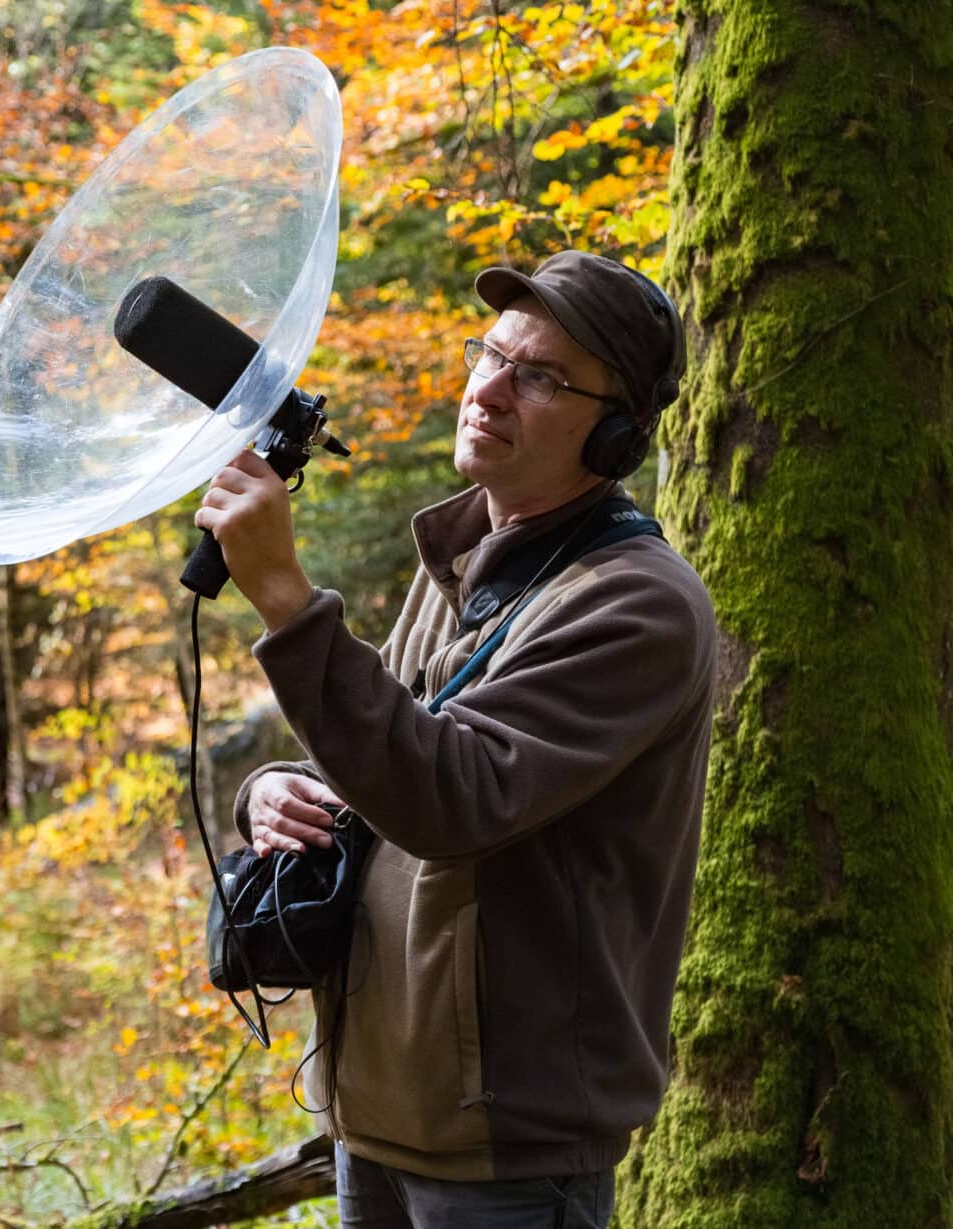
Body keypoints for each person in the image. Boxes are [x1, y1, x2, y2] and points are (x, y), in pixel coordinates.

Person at [193, 250, 717, 1228]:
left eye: (539, 375)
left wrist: (284, 599)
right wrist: (270, 791)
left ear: (610, 434)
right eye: (489, 353)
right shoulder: (470, 567)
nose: (488, 387)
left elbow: (452, 795)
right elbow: (378, 756)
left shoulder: (633, 605)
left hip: (509, 1137)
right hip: (380, 1104)